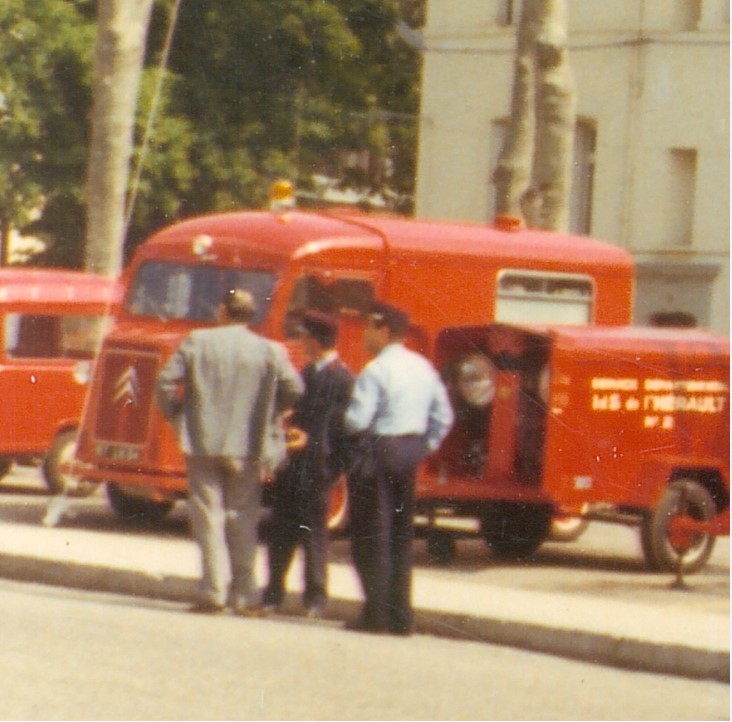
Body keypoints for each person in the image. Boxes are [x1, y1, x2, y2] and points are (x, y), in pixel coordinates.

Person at [155, 288, 303, 616]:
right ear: (251, 315)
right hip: (248, 443)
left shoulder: (197, 341)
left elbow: (165, 383)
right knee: (243, 517)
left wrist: (178, 415)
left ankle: (212, 591)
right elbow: (294, 388)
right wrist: (270, 413)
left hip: (202, 440)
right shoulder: (269, 350)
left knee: (207, 517)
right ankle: (245, 593)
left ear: (222, 310)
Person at [344, 301, 454, 635]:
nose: (365, 335)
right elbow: (443, 416)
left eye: (369, 328)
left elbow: (357, 420)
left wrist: (343, 420)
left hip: (379, 452)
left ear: (384, 330)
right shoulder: (424, 368)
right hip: (409, 452)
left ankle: (375, 615)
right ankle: (401, 616)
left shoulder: (375, 371)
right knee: (401, 536)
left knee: (372, 535)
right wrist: (425, 446)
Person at [262, 311, 354, 618]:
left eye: (303, 336)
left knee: (313, 535)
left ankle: (315, 598)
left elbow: (340, 431)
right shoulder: (307, 373)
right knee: (282, 532)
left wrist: (328, 464)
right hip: (292, 467)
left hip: (317, 470)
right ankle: (273, 592)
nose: (300, 341)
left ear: (314, 340)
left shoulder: (341, 379)